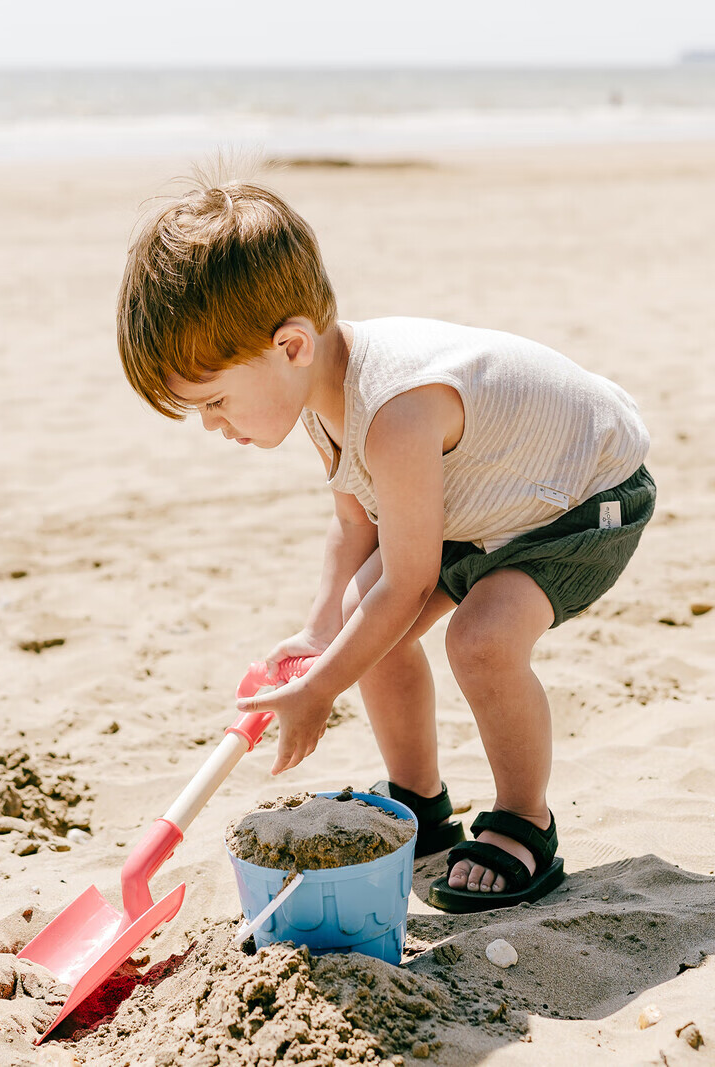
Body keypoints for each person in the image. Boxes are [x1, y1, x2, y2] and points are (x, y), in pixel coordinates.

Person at [117, 176, 655, 913]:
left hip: (579, 498)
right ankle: (421, 803)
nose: (212, 424)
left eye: (214, 399)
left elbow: (408, 581)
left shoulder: (396, 410)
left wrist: (321, 688)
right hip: (481, 499)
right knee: (356, 612)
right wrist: (317, 633)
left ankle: (525, 821)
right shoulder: (319, 395)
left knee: (480, 640)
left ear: (291, 345)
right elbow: (354, 527)